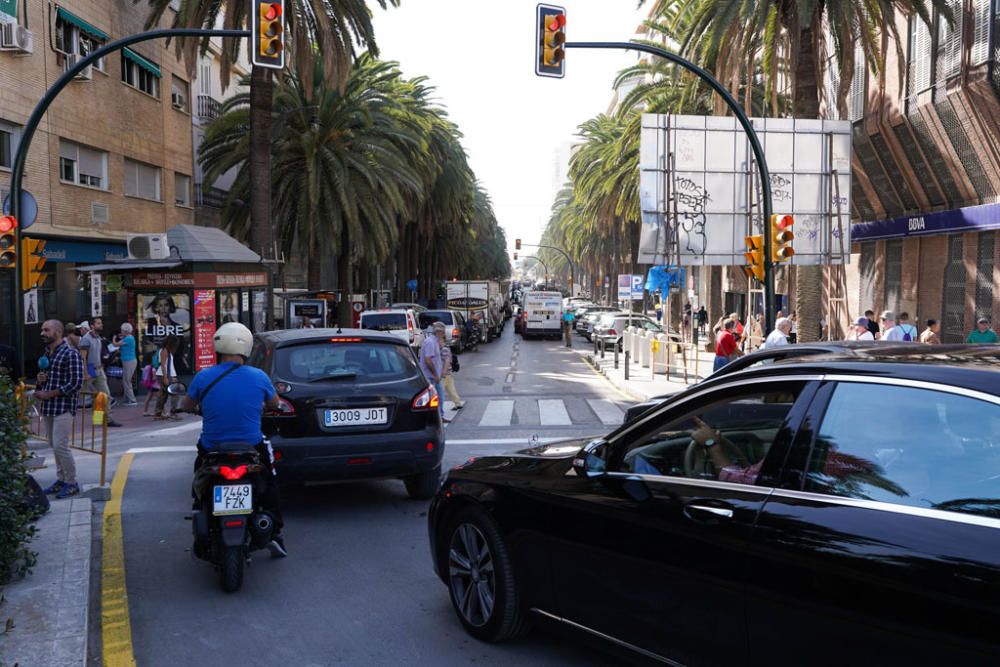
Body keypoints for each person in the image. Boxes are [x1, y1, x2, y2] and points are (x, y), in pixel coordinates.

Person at [179, 322, 287, 558]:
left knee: (199, 474)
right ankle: (276, 532)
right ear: (246, 348)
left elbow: (186, 404)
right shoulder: (259, 376)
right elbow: (275, 403)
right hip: (251, 447)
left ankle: (200, 506)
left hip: (212, 448)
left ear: (219, 348)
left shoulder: (203, 376)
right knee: (270, 482)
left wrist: (189, 407)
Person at [35, 320, 85, 499]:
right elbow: (50, 378)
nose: (42, 333)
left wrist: (50, 394)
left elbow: (76, 383)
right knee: (54, 445)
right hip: (49, 407)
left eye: (46, 330)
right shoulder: (48, 353)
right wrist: (41, 380)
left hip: (63, 407)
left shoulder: (71, 353)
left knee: (60, 446)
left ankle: (71, 483)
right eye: (42, 330)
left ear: (58, 332)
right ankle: (61, 479)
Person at [78, 317, 122, 427]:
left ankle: (107, 419)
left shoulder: (98, 338)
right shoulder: (86, 339)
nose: (101, 325)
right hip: (90, 368)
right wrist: (85, 372)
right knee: (93, 395)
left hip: (98, 368)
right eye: (98, 323)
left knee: (104, 394)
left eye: (101, 323)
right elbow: (83, 357)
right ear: (92, 326)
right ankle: (98, 419)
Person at [420, 322, 445, 420]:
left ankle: (440, 416)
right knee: (435, 398)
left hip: (435, 376)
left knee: (439, 397)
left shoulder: (435, 341)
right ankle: (436, 417)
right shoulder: (430, 342)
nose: (444, 334)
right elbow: (428, 360)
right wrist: (435, 374)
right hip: (431, 376)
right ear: (438, 331)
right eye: (443, 332)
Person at [154, 335, 181, 420]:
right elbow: (163, 365)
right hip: (165, 375)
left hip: (164, 375)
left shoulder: (165, 351)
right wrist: (166, 377)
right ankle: (173, 412)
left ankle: (158, 413)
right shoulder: (164, 351)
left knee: (163, 395)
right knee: (175, 393)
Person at [438, 328, 464, 410]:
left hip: (444, 374)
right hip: (448, 373)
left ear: (442, 340)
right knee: (451, 389)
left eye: (438, 341)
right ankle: (458, 403)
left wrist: (443, 372)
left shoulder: (444, 349)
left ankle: (438, 409)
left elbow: (447, 361)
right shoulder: (446, 348)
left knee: (439, 392)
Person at [115, 323, 138, 405]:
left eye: (122, 330)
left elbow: (115, 344)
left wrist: (114, 338)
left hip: (129, 361)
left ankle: (132, 399)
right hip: (127, 361)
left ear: (126, 331)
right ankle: (126, 398)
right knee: (125, 380)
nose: (121, 331)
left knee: (127, 381)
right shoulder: (127, 338)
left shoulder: (128, 338)